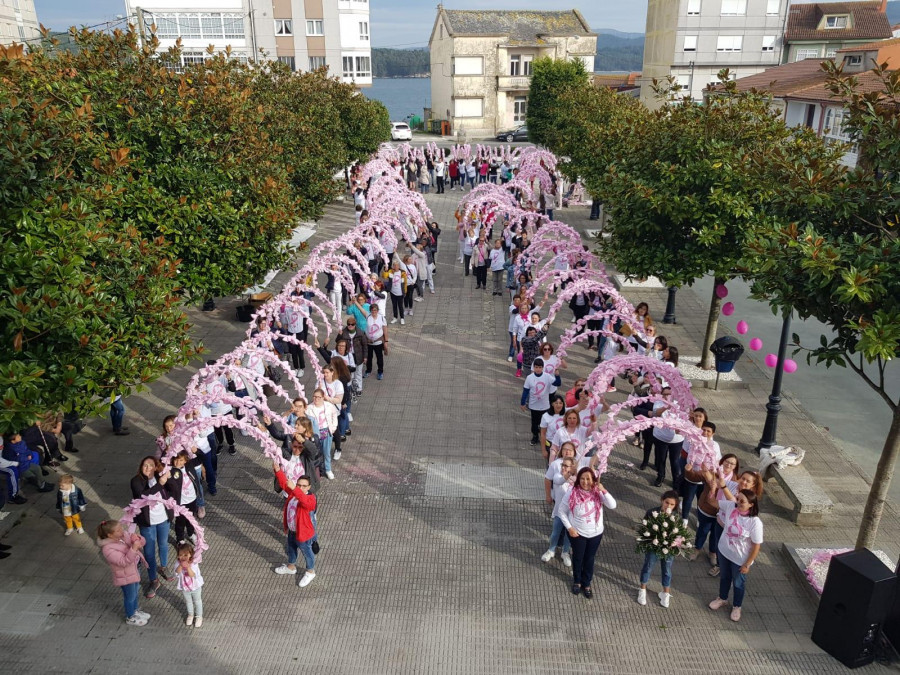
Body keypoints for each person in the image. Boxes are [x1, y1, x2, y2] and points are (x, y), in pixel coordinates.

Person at [558, 467, 616, 599]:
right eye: (582, 478)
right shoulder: (572, 492)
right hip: (577, 534)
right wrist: (569, 528)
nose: (585, 482)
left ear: (593, 480)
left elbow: (613, 505)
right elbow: (561, 511)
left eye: (588, 479)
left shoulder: (598, 493)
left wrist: (603, 490)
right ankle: (577, 581)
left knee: (589, 559)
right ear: (578, 479)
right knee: (578, 558)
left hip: (595, 534)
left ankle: (587, 583)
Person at [708, 490, 763, 622]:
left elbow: (756, 545)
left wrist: (747, 564)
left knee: (738, 583)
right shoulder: (731, 506)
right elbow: (712, 502)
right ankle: (722, 598)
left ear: (751, 504)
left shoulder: (755, 522)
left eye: (742, 501)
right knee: (725, 577)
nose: (738, 503)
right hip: (724, 551)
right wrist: (712, 488)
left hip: (740, 559)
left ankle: (737, 606)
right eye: (738, 499)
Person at [130, 456, 174, 598]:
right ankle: (153, 580)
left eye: (150, 465)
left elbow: (172, 489)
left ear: (155, 467)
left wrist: (170, 477)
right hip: (146, 521)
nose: (148, 468)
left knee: (163, 544)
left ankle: (164, 566)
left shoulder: (159, 475)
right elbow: (143, 496)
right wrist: (160, 484)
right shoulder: (136, 481)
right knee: (149, 551)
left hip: (163, 518)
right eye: (145, 465)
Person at [97, 520, 150, 626]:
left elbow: (143, 542)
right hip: (124, 575)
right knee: (130, 596)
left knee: (135, 592)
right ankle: (130, 616)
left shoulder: (123, 536)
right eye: (118, 530)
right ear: (110, 535)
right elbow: (123, 562)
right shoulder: (108, 549)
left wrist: (138, 539)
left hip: (133, 570)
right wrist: (134, 548)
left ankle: (135, 610)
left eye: (121, 527)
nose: (122, 531)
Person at [273, 463, 318, 588]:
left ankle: (310, 571)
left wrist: (295, 489)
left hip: (303, 533)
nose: (301, 488)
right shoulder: (294, 493)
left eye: (304, 486)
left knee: (307, 552)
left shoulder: (310, 498)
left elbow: (305, 502)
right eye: (299, 485)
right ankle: (291, 566)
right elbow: (283, 484)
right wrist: (277, 470)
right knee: (291, 548)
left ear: (309, 487)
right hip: (293, 530)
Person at [637, 490, 680, 608]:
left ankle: (665, 593)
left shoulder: (676, 517)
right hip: (653, 547)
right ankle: (642, 590)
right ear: (662, 500)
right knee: (648, 567)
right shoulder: (652, 512)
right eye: (667, 503)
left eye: (672, 505)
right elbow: (644, 529)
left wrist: (675, 542)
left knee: (667, 570)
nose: (669, 506)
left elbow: (679, 535)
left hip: (668, 550)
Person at [541, 457, 576, 567]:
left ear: (572, 467)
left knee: (568, 535)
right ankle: (551, 550)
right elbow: (560, 481)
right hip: (559, 513)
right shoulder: (558, 476)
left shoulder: (577, 480)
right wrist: (569, 473)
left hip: (572, 514)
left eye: (566, 466)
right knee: (555, 533)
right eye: (563, 465)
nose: (564, 468)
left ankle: (565, 553)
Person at [167, 450, 204, 545]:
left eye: (180, 460)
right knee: (180, 521)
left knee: (191, 518)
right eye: (175, 460)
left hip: (192, 499)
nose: (177, 462)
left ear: (185, 461)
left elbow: (202, 458)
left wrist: (197, 450)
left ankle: (191, 534)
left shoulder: (189, 465)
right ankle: (180, 539)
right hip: (181, 502)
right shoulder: (170, 471)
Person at [520, 358, 557, 446]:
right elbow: (525, 391)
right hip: (533, 405)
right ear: (534, 367)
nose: (538, 369)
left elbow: (557, 384)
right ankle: (535, 436)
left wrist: (557, 376)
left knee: (544, 423)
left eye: (540, 367)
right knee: (534, 423)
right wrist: (522, 403)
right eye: (536, 367)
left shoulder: (547, 376)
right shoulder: (529, 378)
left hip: (545, 406)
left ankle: (544, 437)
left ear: (542, 368)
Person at [308, 389, 338, 480]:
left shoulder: (329, 406)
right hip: (315, 433)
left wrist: (333, 428)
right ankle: (318, 470)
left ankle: (328, 469)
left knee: (326, 452)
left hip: (326, 431)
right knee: (316, 452)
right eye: (314, 396)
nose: (316, 399)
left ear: (322, 397)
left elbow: (334, 415)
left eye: (318, 397)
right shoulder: (309, 408)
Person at [175, 542, 204, 628]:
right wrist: (181, 565)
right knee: (188, 602)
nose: (183, 557)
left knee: (197, 601)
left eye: (185, 555)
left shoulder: (194, 563)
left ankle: (199, 616)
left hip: (195, 587)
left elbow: (192, 575)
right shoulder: (177, 563)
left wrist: (187, 567)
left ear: (190, 555)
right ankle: (190, 615)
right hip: (185, 587)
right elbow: (176, 572)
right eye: (180, 555)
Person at [364, 303, 388, 380]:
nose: (373, 311)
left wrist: (386, 341)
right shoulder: (368, 316)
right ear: (370, 311)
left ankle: (380, 372)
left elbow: (385, 330)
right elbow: (361, 309)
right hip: (369, 342)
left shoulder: (381, 318)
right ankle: (368, 370)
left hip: (378, 342)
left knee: (379, 357)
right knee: (369, 357)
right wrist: (355, 302)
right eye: (372, 310)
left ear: (377, 310)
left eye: (375, 310)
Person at [539, 395, 566, 461]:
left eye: (560, 403)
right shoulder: (546, 416)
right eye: (556, 403)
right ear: (552, 404)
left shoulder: (566, 414)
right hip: (551, 444)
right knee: (551, 465)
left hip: (563, 443)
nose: (558, 405)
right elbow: (543, 434)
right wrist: (543, 450)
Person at [383, 260, 407, 325]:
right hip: (393, 292)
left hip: (400, 292)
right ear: (393, 266)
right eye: (394, 265)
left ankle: (402, 318)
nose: (396, 267)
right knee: (394, 305)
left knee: (400, 306)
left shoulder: (403, 273)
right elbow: (385, 276)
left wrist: (405, 291)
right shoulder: (390, 272)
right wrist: (385, 270)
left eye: (397, 265)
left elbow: (405, 283)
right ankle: (395, 317)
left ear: (399, 266)